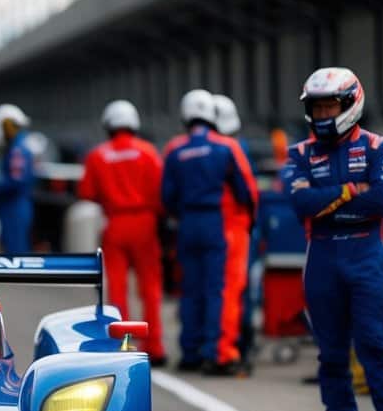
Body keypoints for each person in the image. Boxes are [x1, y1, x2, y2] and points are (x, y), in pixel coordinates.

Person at [280, 67, 383, 411]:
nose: (324, 114)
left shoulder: (380, 147)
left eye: (330, 106)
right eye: (318, 107)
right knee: (331, 351)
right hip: (322, 256)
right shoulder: (299, 153)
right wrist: (349, 190)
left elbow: (381, 201)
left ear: (349, 104)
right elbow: (300, 203)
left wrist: (327, 199)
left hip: (365, 254)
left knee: (375, 344)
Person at [161, 89, 257, 375]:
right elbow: (246, 191)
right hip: (216, 223)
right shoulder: (226, 147)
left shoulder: (175, 149)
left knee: (189, 289)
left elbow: (167, 196)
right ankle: (216, 352)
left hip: (187, 224)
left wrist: (181, 215)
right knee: (217, 290)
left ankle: (189, 352)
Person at [77, 100, 166, 365]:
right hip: (145, 224)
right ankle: (155, 346)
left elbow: (86, 193)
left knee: (117, 288)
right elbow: (161, 191)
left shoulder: (97, 155)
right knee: (150, 286)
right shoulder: (148, 152)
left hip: (114, 223)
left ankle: (122, 345)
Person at [213, 94, 258, 368]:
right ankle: (236, 343)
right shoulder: (235, 148)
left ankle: (204, 346)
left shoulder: (187, 146)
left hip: (210, 225)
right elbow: (249, 192)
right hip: (235, 226)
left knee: (208, 289)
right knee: (236, 288)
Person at [0, 103, 35, 253]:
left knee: (15, 252)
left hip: (14, 207)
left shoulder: (17, 150)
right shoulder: (19, 147)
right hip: (13, 206)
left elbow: (16, 181)